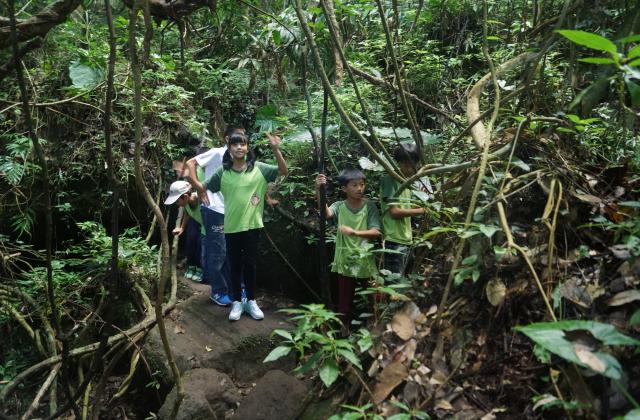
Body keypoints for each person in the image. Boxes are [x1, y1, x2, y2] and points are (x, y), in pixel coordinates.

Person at [199, 131, 287, 321]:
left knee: (250, 265)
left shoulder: (259, 168)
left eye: (243, 144)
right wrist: (196, 187)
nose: (239, 147)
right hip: (231, 227)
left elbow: (283, 171)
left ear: (247, 148)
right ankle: (237, 302)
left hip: (252, 226)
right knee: (234, 265)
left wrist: (276, 149)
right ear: (229, 148)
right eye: (235, 144)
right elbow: (204, 186)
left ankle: (251, 301)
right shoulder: (223, 171)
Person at [186, 126, 245, 307]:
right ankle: (218, 291)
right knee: (217, 253)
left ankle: (235, 289)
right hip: (214, 210)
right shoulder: (217, 153)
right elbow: (190, 163)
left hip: (231, 211)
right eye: (237, 136)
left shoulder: (240, 159)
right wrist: (199, 187)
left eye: (243, 137)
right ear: (227, 139)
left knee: (232, 251)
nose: (240, 142)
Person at [315, 168, 381, 325]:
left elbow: (376, 232)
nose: (360, 188)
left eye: (362, 184)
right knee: (345, 302)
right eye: (355, 185)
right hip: (345, 260)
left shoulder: (369, 206)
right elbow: (326, 213)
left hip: (366, 260)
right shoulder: (339, 206)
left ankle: (374, 328)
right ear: (344, 188)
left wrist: (354, 232)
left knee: (374, 299)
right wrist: (318, 190)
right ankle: (344, 330)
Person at [380, 143, 426, 276]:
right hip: (393, 239)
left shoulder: (407, 182)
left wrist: (422, 198)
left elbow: (410, 209)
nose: (410, 169)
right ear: (398, 163)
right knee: (394, 281)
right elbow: (394, 212)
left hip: (406, 239)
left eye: (413, 165)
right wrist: (422, 210)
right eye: (406, 165)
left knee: (403, 280)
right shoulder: (389, 180)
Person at [164, 180, 205, 281]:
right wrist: (182, 227)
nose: (177, 204)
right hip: (196, 220)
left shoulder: (202, 201)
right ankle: (191, 266)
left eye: (177, 201)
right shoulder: (186, 203)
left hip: (207, 224)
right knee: (190, 240)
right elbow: (187, 212)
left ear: (186, 197)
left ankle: (200, 268)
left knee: (200, 245)